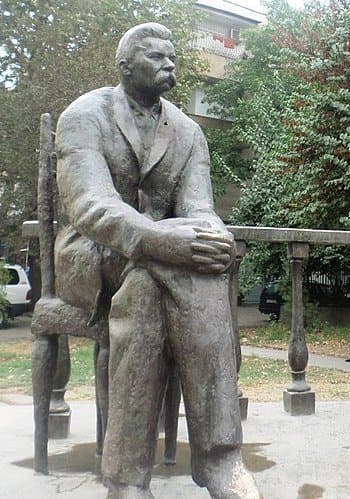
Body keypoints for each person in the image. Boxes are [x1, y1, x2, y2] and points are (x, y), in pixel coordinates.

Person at [53, 23, 261, 499]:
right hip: (95, 254)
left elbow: (201, 210)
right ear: (125, 66)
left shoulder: (188, 132)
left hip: (155, 271)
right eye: (155, 56)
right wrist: (168, 242)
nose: (170, 63)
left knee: (153, 288)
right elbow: (92, 208)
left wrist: (217, 240)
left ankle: (177, 466)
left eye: (172, 55)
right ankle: (215, 459)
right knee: (162, 275)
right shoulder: (84, 115)